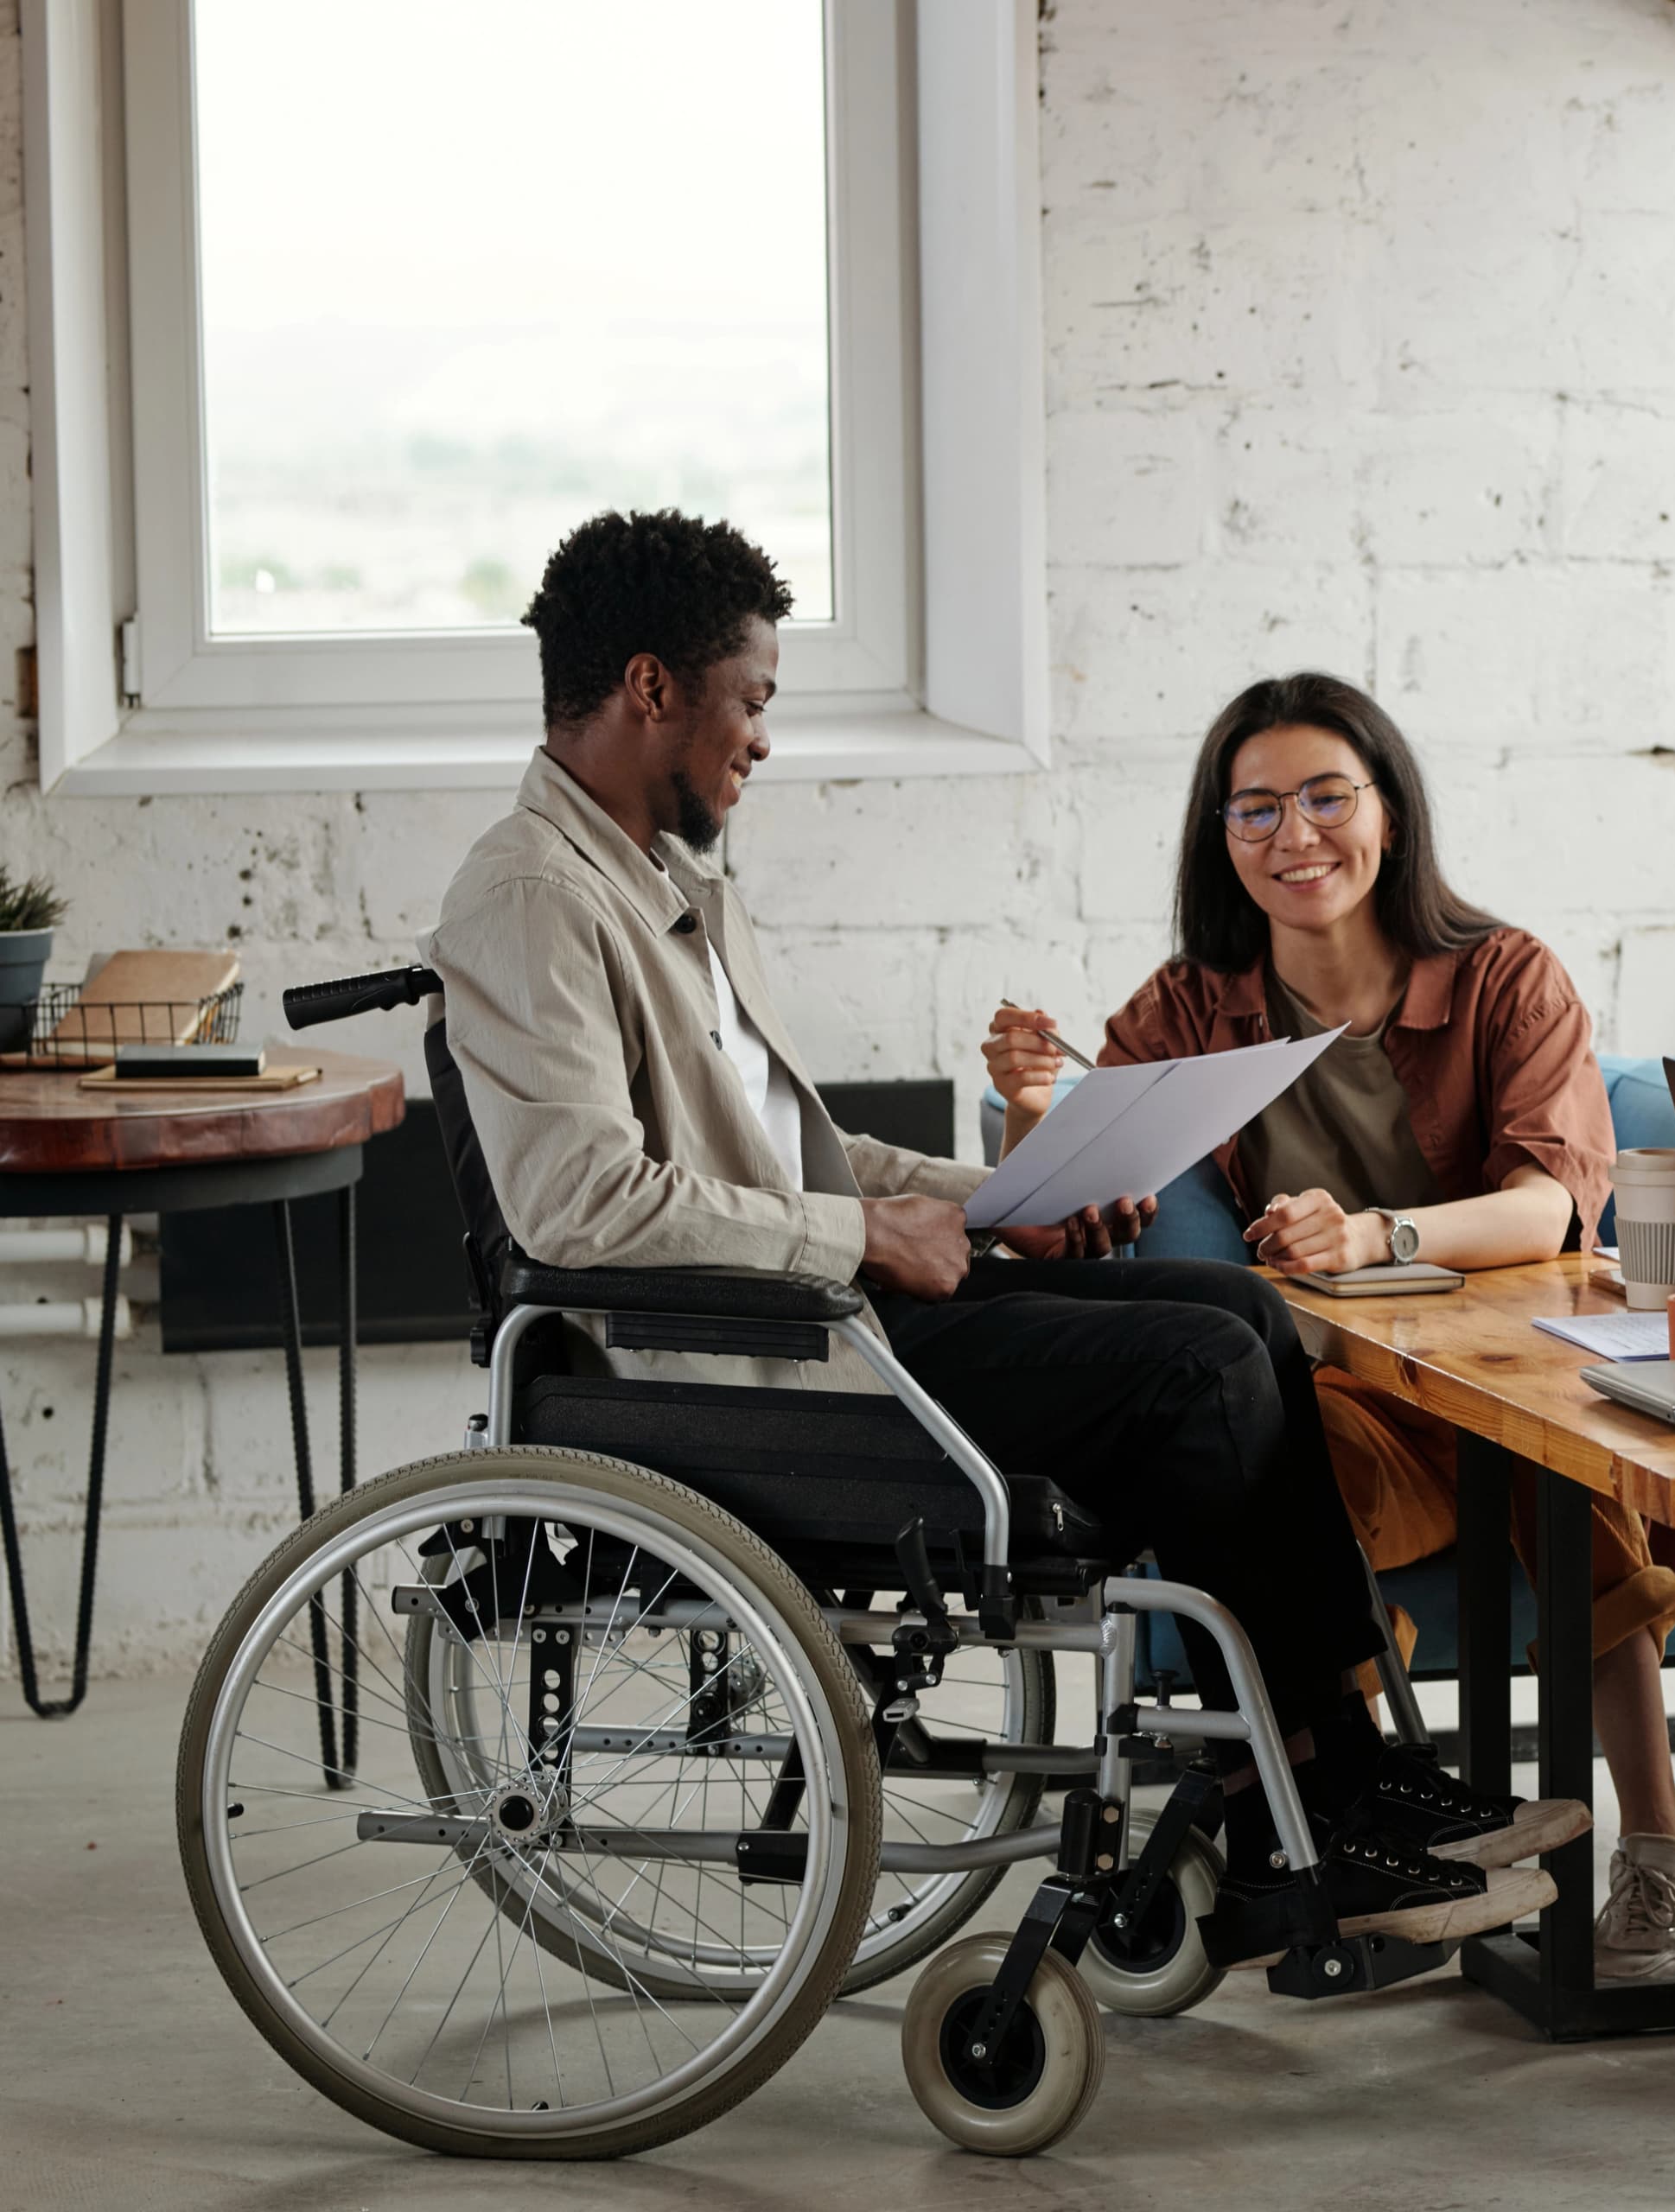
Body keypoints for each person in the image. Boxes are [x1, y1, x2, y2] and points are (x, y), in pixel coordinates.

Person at [424, 511, 1559, 1967]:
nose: (761, 741)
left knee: (1239, 1307)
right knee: (1201, 1369)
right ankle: (1313, 1806)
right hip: (742, 1363)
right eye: (753, 700)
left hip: (818, 1307)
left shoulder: (663, 888)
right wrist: (863, 1236)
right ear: (654, 690)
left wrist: (1000, 1194)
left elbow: (794, 1155)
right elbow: (578, 1206)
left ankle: (1335, 1771)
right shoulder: (531, 896)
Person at [984, 671, 1675, 1981]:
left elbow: (1553, 1206)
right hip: (1356, 1384)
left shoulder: (1505, 977)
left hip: (1521, 1363)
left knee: (1572, 1476)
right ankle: (1380, 1843)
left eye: (1329, 797)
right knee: (1271, 1478)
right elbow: (1059, 1230)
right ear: (1221, 838)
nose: (1296, 837)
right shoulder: (1189, 1003)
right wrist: (1038, 1109)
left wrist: (1379, 1235)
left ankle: (1660, 1847)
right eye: (1256, 810)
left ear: (1390, 810)